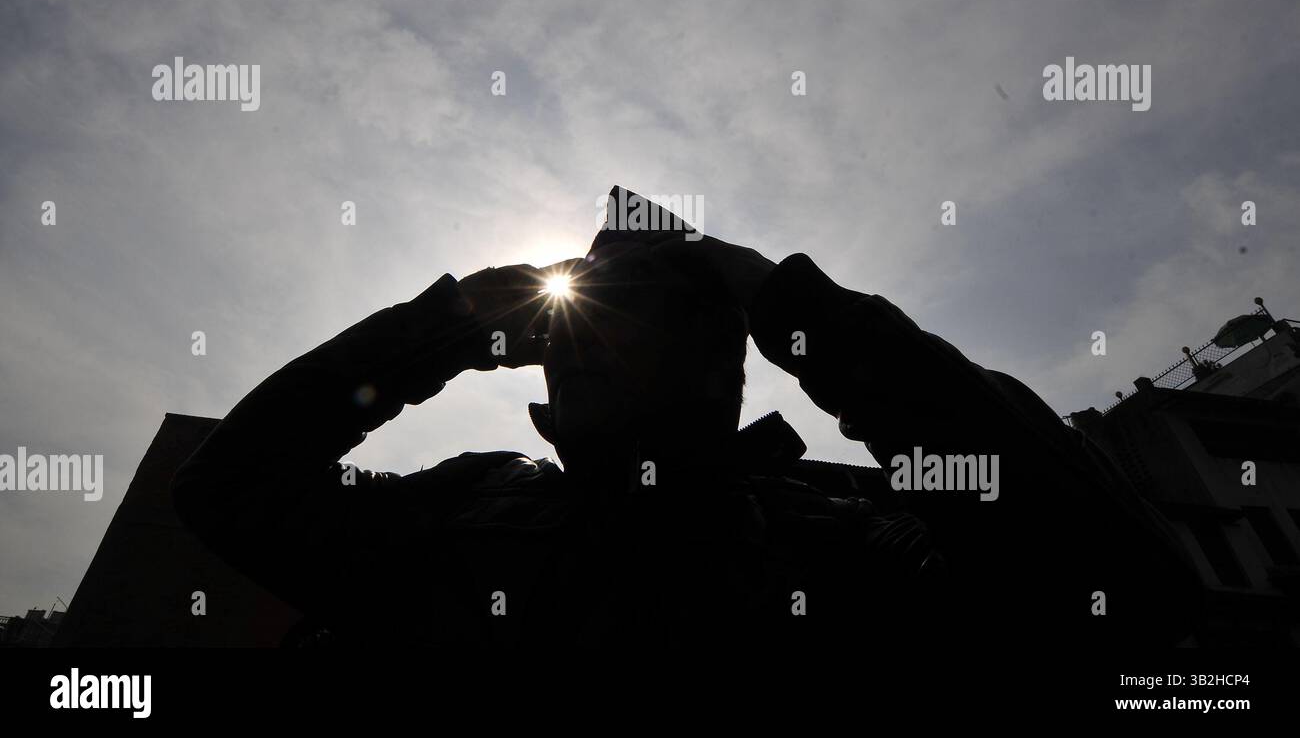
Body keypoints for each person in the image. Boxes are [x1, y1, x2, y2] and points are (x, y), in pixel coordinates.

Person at [172, 187, 1201, 652]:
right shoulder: (466, 510)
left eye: (643, 313)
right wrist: (449, 321)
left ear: (724, 359)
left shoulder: (858, 528)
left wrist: (791, 306)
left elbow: (1121, 593)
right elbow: (233, 491)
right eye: (578, 320)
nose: (589, 338)